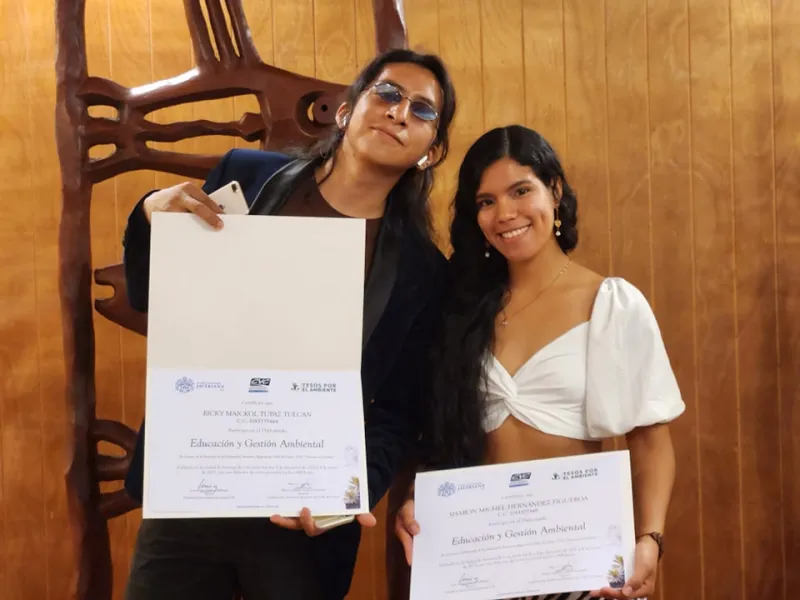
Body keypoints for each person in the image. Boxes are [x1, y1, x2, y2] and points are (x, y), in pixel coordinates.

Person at [121, 48, 457, 600]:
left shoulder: (423, 272)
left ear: (430, 150)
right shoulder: (245, 176)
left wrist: (345, 496)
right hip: (194, 485)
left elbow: (397, 412)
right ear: (346, 110)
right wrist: (150, 212)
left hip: (303, 519)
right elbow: (153, 297)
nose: (400, 112)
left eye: (422, 110)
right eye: (388, 93)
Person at [395, 125, 685, 600]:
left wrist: (649, 539)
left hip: (581, 563)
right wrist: (416, 499)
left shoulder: (611, 303)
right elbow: (439, 434)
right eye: (486, 201)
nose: (504, 213)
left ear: (555, 191)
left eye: (520, 191)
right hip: (477, 564)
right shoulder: (458, 308)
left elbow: (651, 440)